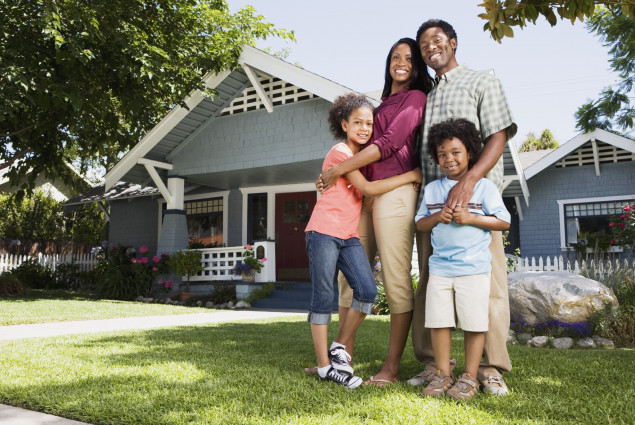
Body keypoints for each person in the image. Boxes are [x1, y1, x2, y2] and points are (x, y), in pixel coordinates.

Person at [408, 19, 517, 395]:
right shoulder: (427, 93)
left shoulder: (481, 80)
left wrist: (468, 183)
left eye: (437, 41)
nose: (430, 48)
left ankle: (487, 368)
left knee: (487, 288)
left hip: (475, 207)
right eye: (424, 45)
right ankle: (435, 366)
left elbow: (498, 135)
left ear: (453, 42)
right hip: (434, 207)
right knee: (431, 285)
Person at [317, 38, 433, 386]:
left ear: (417, 66)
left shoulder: (416, 98)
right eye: (395, 57)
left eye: (409, 58)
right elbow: (364, 142)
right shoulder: (382, 105)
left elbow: (388, 145)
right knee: (348, 280)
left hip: (396, 191)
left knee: (396, 280)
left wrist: (338, 169)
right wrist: (343, 172)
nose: (401, 62)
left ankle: (391, 367)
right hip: (365, 196)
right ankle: (341, 361)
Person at [415, 118, 510, 400]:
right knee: (439, 322)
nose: (449, 159)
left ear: (470, 152)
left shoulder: (483, 188)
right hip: (440, 270)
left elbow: (503, 222)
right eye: (442, 154)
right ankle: (444, 375)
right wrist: (436, 216)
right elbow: (420, 224)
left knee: (473, 323)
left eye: (456, 152)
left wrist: (470, 218)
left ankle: (469, 377)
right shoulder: (432, 190)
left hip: (474, 269)